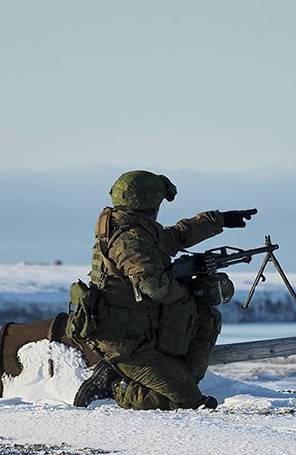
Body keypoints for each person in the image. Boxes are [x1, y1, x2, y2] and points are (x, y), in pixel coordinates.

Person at [73, 170, 256, 410]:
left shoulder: (134, 229)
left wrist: (218, 220)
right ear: (149, 203)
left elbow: (176, 237)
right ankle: (117, 387)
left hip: (139, 331)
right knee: (186, 401)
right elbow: (155, 287)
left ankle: (172, 378)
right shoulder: (130, 240)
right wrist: (186, 290)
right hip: (126, 344)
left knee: (206, 319)